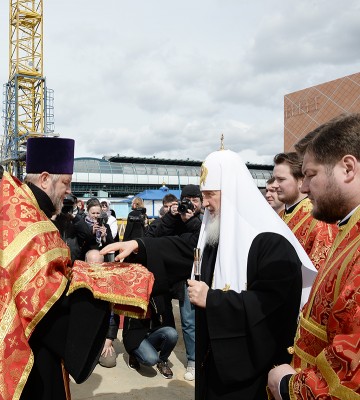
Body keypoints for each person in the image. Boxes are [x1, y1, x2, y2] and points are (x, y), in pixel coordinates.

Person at [103, 149, 317, 399]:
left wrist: (213, 300)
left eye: (209, 195)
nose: (203, 203)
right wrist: (140, 245)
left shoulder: (272, 242)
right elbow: (186, 249)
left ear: (232, 193)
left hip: (247, 371)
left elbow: (275, 307)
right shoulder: (216, 231)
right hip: (212, 359)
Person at [0, 137, 125, 399]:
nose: (69, 190)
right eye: (65, 182)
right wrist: (98, 294)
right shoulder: (26, 220)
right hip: (27, 350)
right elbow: (40, 302)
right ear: (44, 178)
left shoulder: (20, 208)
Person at [268, 113, 360, 399]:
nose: (304, 188)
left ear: (347, 168)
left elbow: (352, 362)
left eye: (310, 175)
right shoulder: (349, 227)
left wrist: (287, 386)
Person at [144, 184, 202, 381]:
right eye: (187, 201)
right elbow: (156, 237)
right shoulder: (174, 219)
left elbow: (197, 241)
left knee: (189, 322)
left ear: (201, 203)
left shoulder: (204, 221)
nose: (191, 205)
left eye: (195, 200)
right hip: (168, 277)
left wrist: (191, 219)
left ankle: (193, 361)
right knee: (165, 316)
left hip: (190, 278)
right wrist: (171, 216)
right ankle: (163, 356)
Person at [273, 152, 335, 270]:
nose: (275, 185)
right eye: (275, 179)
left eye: (281, 179)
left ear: (301, 181)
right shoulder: (280, 215)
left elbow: (318, 269)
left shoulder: (318, 220)